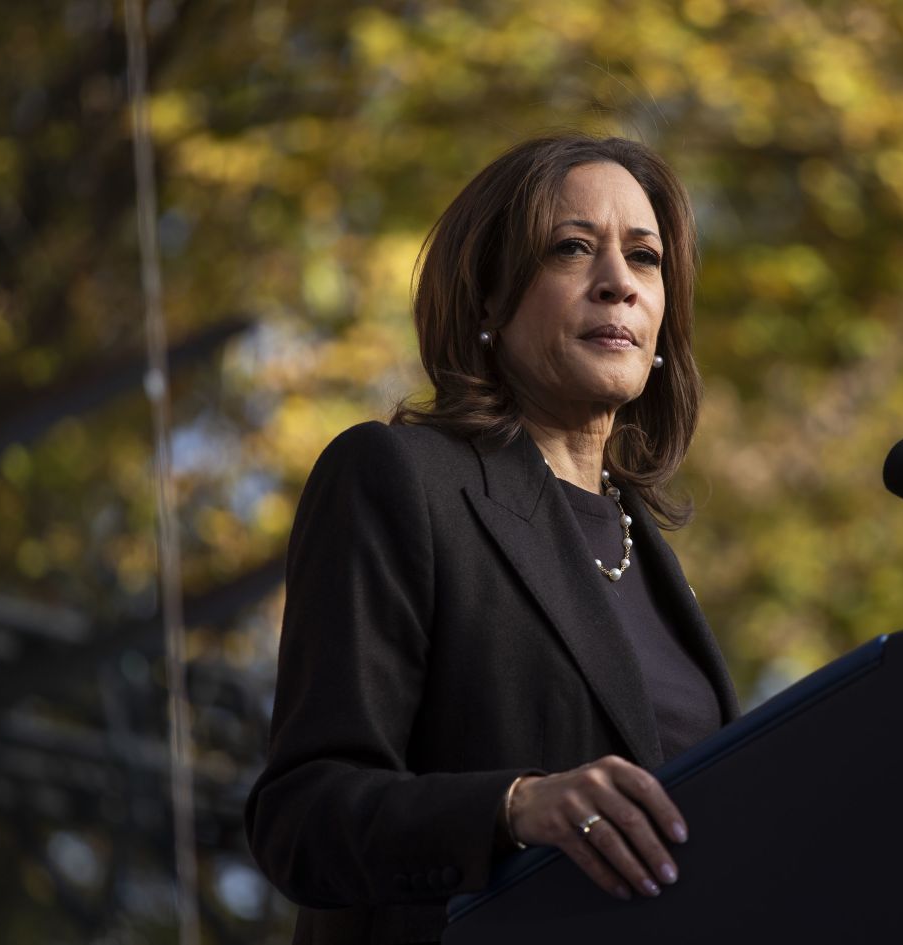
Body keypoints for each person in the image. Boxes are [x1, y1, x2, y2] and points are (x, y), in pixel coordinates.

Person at [244, 133, 739, 945]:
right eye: (572, 248)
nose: (618, 283)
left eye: (645, 259)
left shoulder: (654, 562)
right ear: (486, 301)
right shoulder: (400, 479)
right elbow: (304, 816)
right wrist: (514, 806)